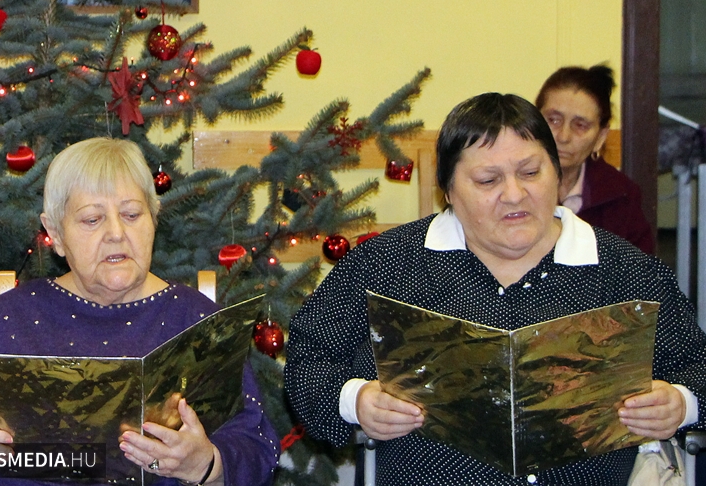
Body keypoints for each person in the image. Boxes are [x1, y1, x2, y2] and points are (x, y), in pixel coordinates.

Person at [284, 93, 706, 485]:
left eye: (531, 172)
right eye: (488, 180)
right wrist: (355, 401)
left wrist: (681, 403)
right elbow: (307, 362)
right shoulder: (388, 265)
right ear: (447, 190)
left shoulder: (624, 271)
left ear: (557, 174)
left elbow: (698, 367)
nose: (514, 194)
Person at [0, 138, 279, 486]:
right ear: (54, 233)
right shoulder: (15, 315)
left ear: (154, 218)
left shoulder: (195, 317)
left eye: (132, 214)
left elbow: (258, 446)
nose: (116, 233)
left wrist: (208, 464)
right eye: (91, 219)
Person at [535, 64, 656, 254]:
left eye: (580, 125)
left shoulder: (621, 197)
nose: (563, 136)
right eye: (553, 120)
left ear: (600, 137)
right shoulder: (508, 187)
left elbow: (641, 275)